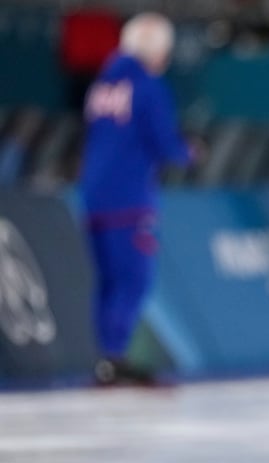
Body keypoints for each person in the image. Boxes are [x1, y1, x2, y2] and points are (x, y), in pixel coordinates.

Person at [79, 13, 194, 386]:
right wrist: (190, 153)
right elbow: (166, 144)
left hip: (94, 195)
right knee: (134, 279)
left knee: (109, 281)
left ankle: (108, 356)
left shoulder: (102, 83)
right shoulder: (148, 87)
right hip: (129, 198)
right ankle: (114, 356)